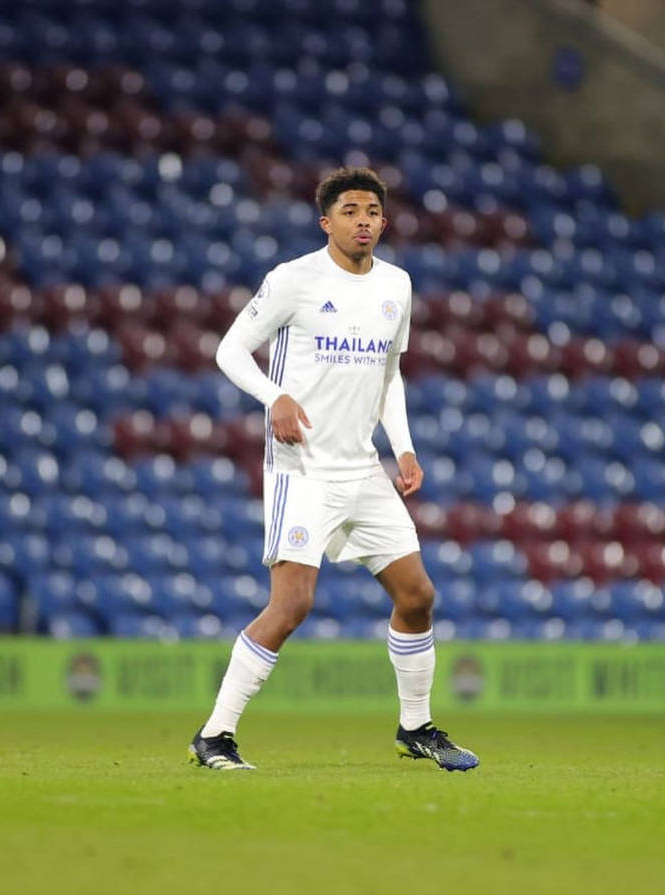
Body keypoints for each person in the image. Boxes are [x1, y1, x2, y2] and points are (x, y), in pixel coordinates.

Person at [187, 166, 479, 772]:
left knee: (418, 595)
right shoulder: (294, 280)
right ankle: (215, 735)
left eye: (371, 211)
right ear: (326, 222)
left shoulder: (397, 285)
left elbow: (389, 374)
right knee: (291, 605)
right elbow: (229, 350)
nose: (362, 220)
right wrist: (276, 398)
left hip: (363, 470)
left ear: (384, 221)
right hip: (304, 471)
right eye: (349, 211)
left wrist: (403, 447)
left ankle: (416, 726)